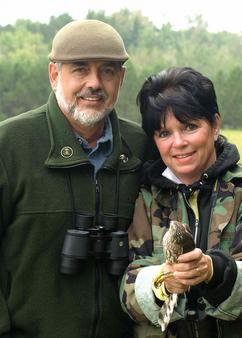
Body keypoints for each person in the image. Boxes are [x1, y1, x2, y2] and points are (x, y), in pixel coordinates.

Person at [0, 19, 151, 338]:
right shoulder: (10, 145)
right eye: (80, 69)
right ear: (54, 74)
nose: (94, 83)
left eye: (107, 70)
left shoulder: (141, 147)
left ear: (121, 78)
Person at [120, 67, 242, 338]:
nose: (179, 143)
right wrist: (161, 283)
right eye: (164, 133)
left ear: (215, 124)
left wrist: (215, 271)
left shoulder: (239, 191)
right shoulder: (145, 198)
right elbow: (126, 289)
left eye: (190, 127)